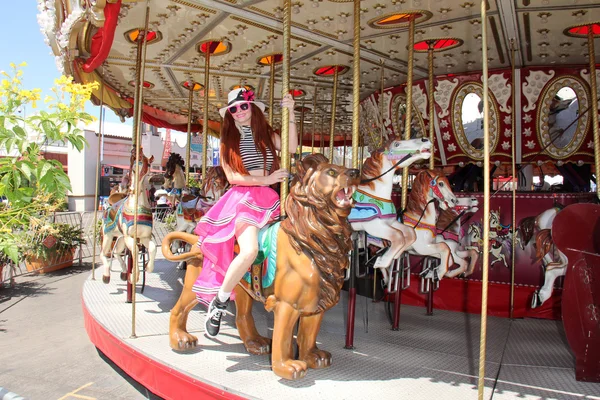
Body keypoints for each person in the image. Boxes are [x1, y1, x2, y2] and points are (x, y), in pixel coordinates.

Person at [191, 87, 297, 337]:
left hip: (270, 199)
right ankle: (220, 301)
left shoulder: (265, 136)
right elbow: (232, 176)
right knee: (250, 250)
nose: (238, 112)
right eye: (233, 109)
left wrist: (291, 112)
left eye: (243, 106)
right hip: (243, 199)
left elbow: (291, 147)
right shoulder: (228, 140)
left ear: (253, 108)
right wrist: (267, 178)